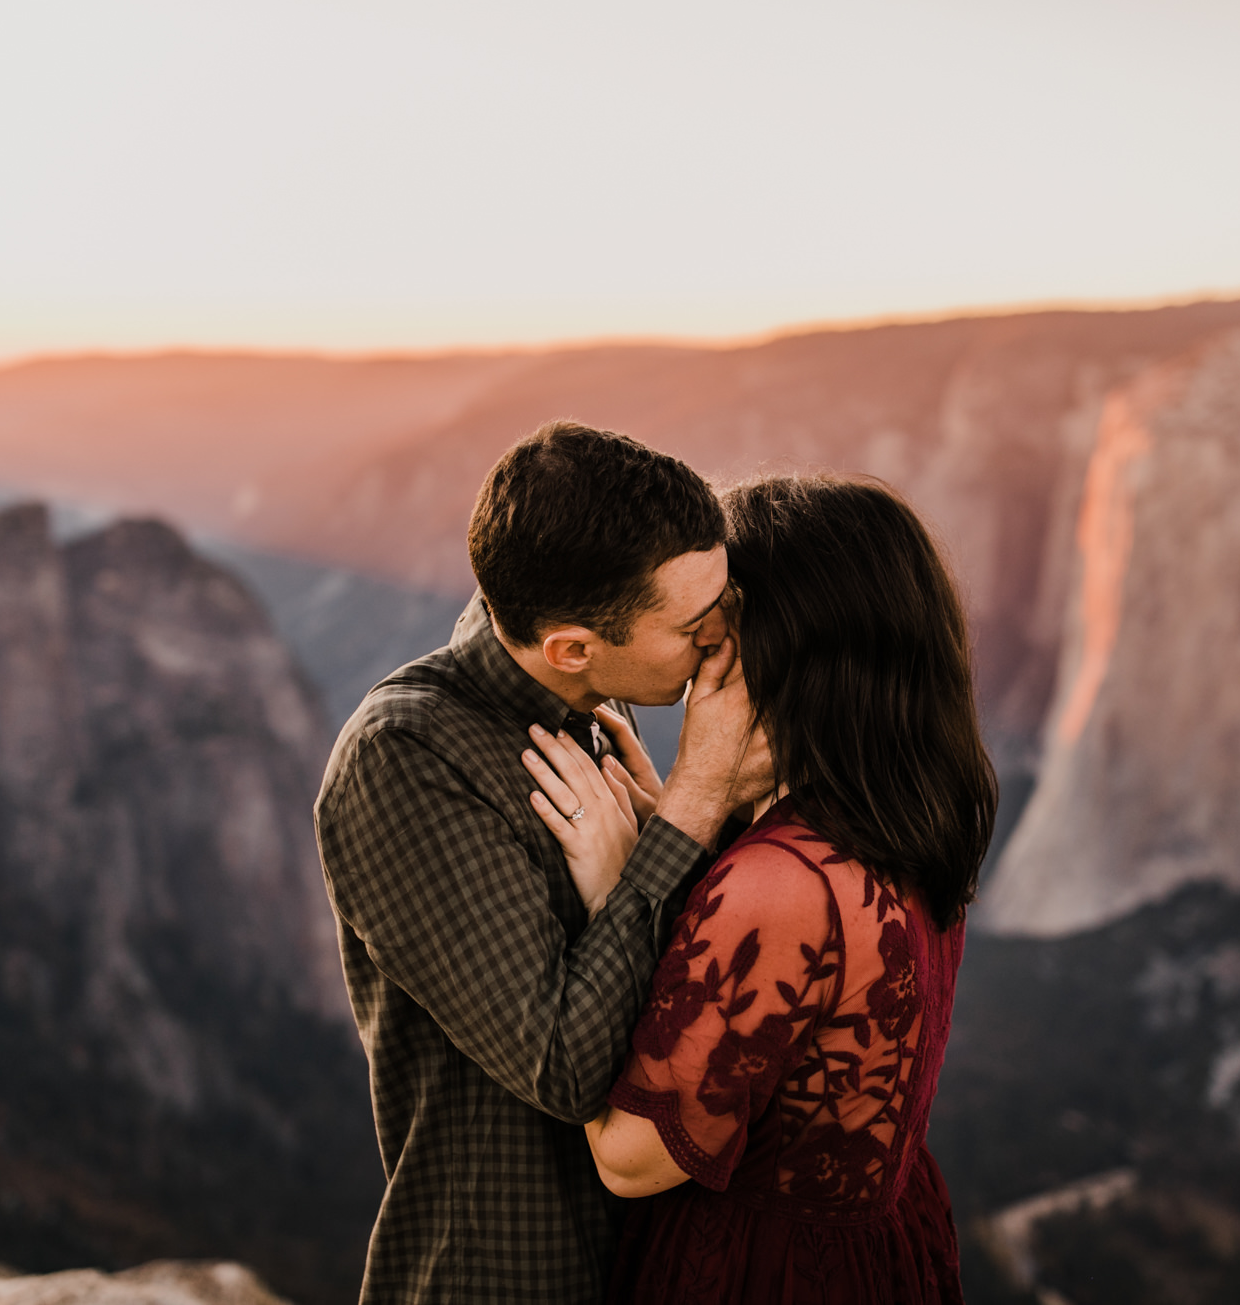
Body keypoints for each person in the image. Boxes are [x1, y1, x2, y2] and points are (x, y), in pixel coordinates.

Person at [316, 422, 773, 1304]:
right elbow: (564, 1067)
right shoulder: (406, 757)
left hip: (645, 1260)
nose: (723, 638)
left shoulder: (591, 706)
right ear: (571, 645)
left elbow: (661, 992)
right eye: (693, 624)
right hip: (509, 1275)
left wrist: (672, 849)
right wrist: (694, 798)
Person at [522, 474, 997, 1304]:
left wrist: (618, 896)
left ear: (779, 651)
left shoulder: (780, 884)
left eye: (716, 637)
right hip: (883, 1247)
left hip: (757, 1272)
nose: (698, 663)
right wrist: (687, 836)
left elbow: (631, 1159)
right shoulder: (909, 818)